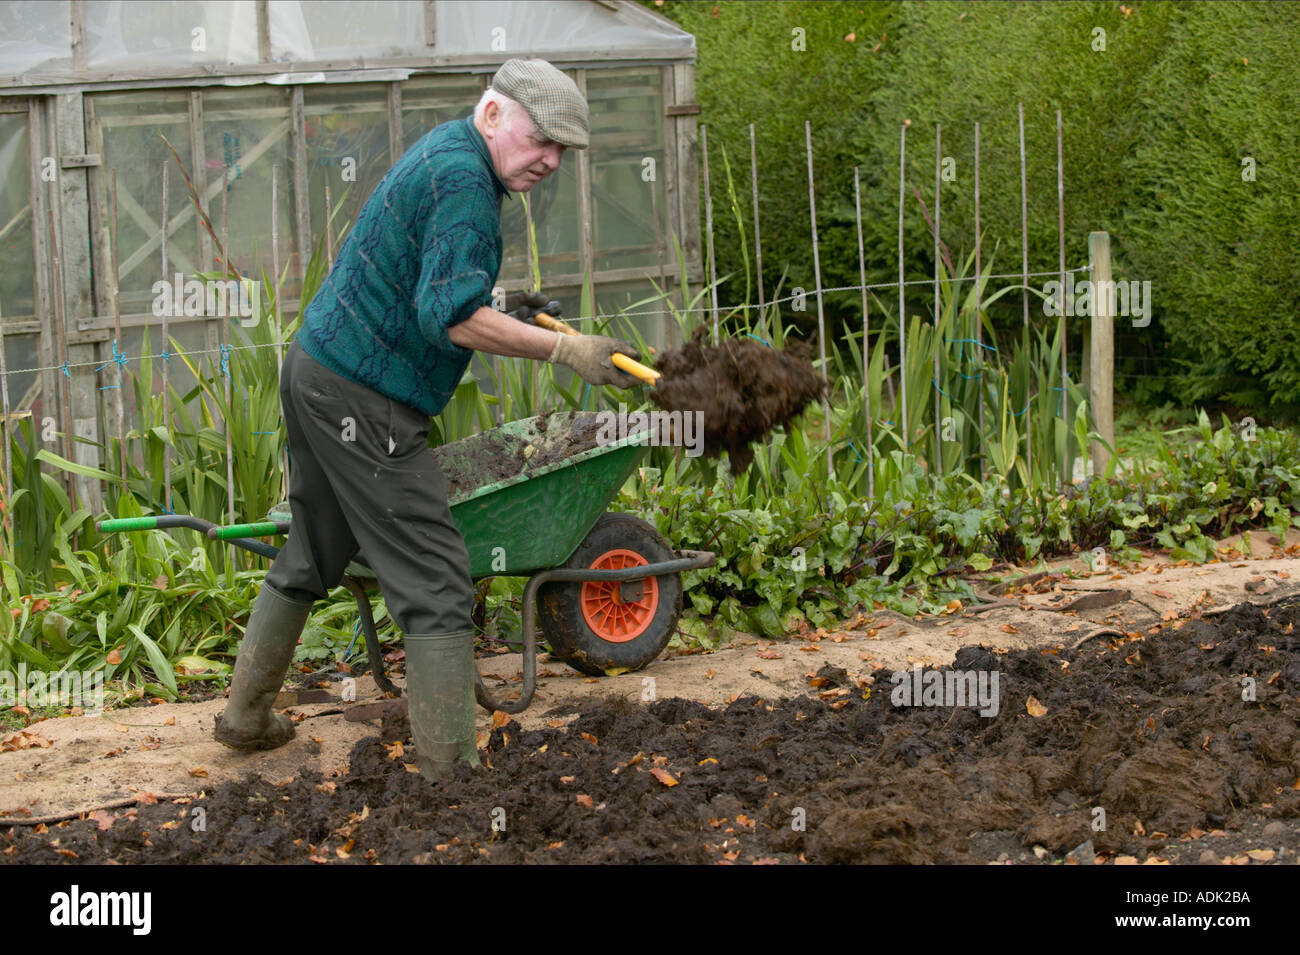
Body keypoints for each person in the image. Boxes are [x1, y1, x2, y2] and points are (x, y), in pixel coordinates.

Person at [213, 58, 641, 780]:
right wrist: (565, 348)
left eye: (564, 150)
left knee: (315, 548)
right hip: (361, 396)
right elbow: (450, 319)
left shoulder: (452, 151)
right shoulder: (466, 183)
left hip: (318, 369)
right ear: (495, 113)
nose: (552, 161)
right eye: (543, 140)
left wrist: (508, 310)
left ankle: (246, 716)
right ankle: (452, 777)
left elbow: (430, 283)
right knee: (439, 583)